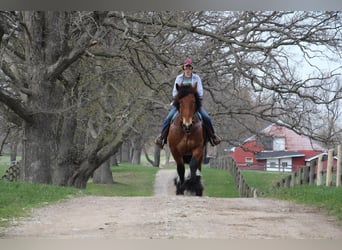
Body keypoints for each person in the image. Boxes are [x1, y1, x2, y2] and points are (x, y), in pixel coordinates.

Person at [155, 58, 221, 149]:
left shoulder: (196, 78)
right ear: (183, 68)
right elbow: (175, 92)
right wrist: (181, 99)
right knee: (169, 117)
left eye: (189, 67)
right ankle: (162, 138)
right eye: (186, 67)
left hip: (193, 103)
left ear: (192, 68)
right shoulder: (179, 78)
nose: (188, 69)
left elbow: (200, 92)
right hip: (181, 103)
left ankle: (213, 137)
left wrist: (193, 98)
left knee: (206, 117)